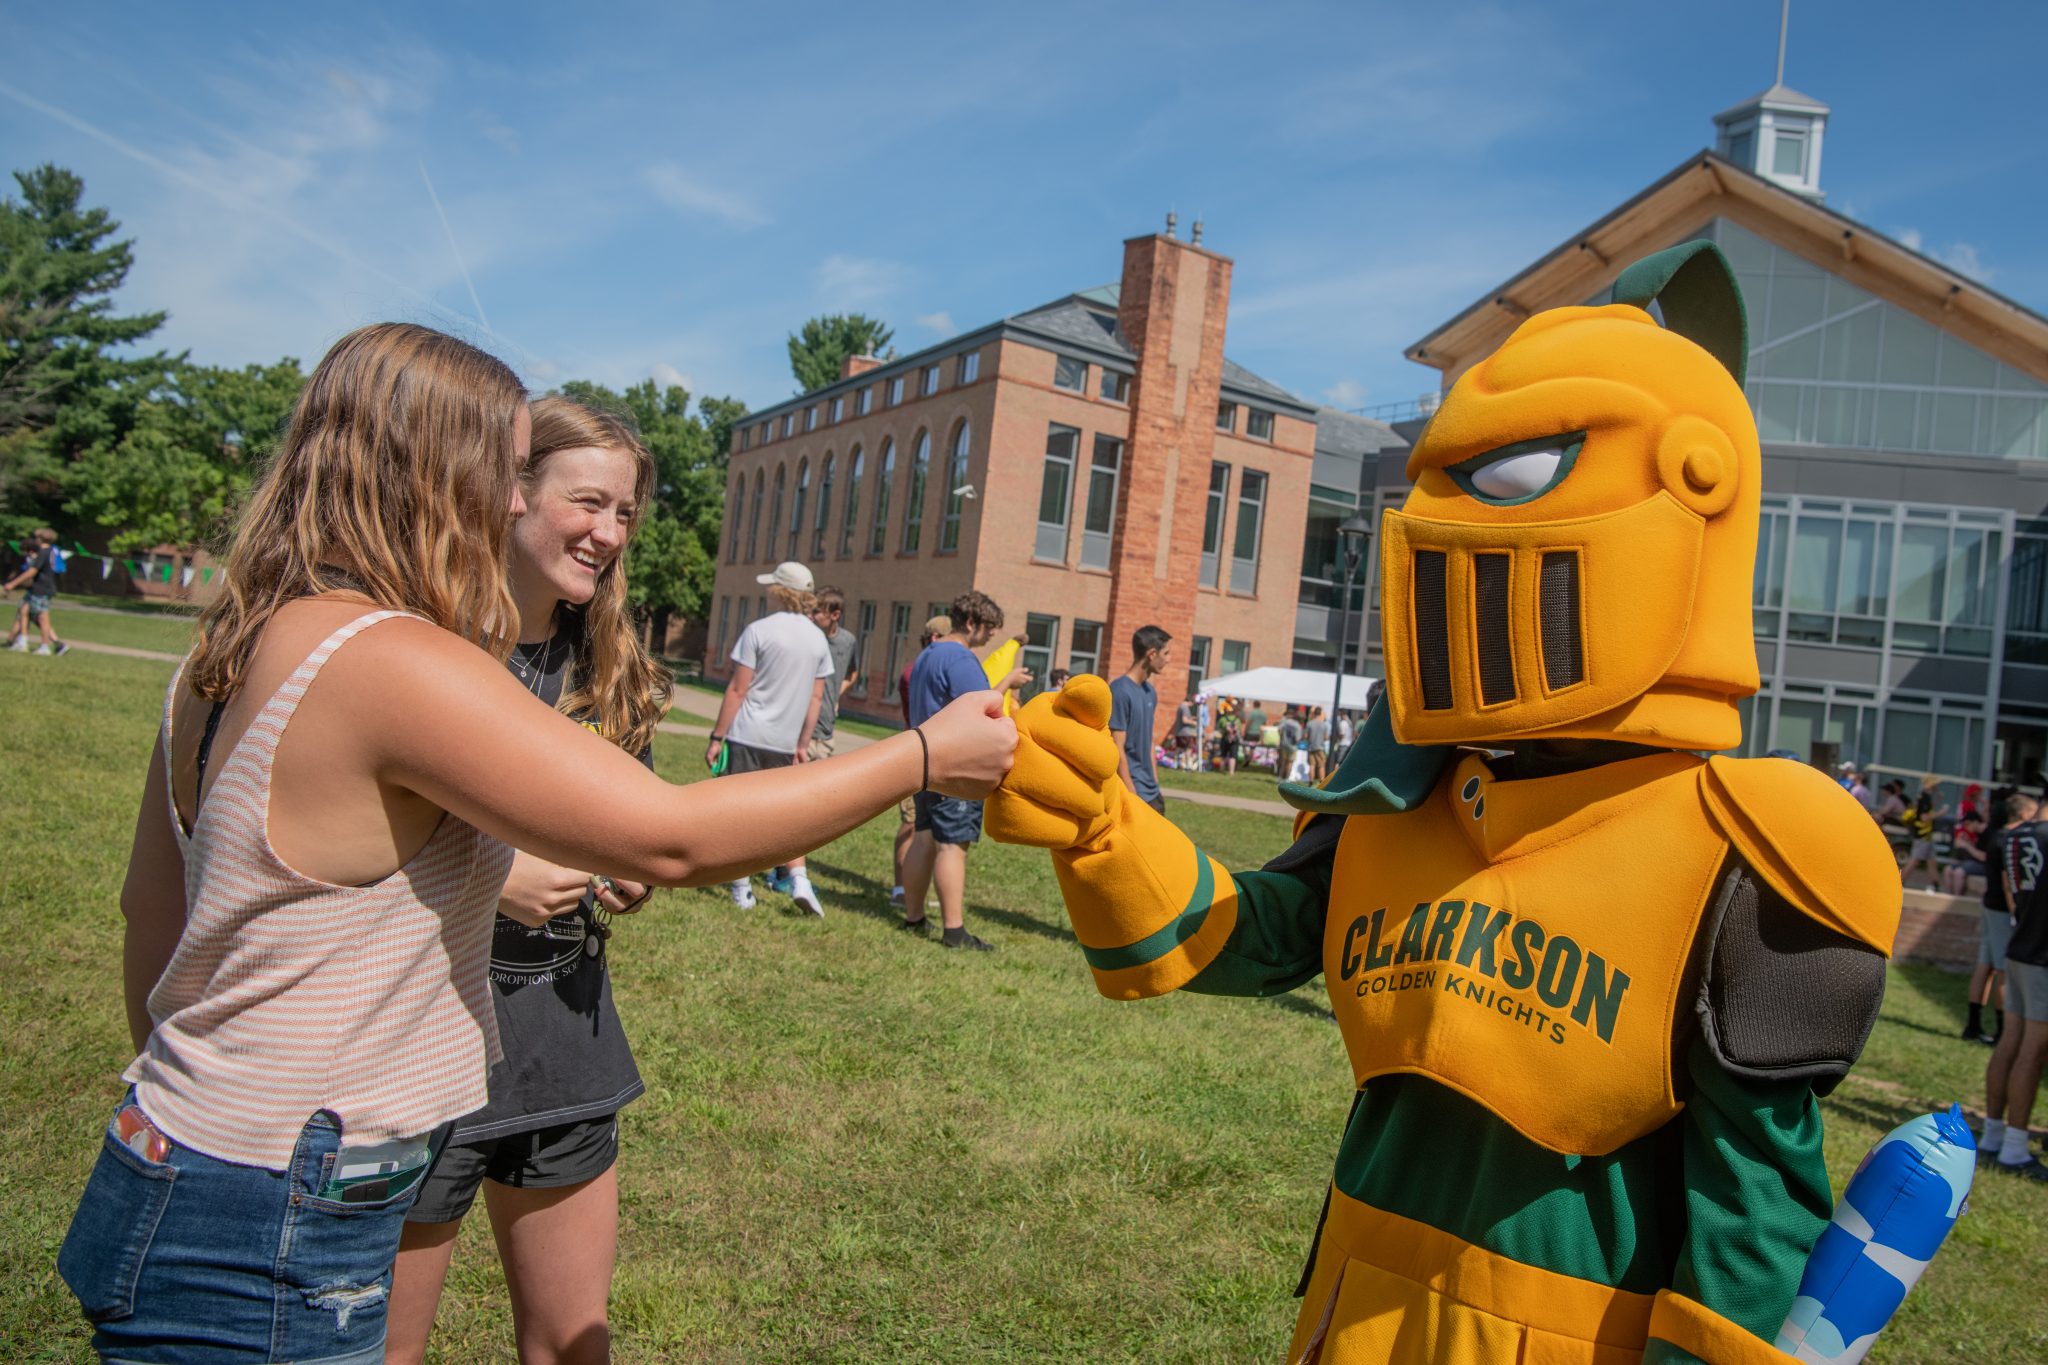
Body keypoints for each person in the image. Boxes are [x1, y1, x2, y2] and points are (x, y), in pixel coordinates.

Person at [985, 242, 1905, 1359]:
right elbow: (1258, 934)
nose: (1437, 529)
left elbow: (1752, 1201)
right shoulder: (1405, 782)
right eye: (1435, 481)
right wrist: (1106, 828)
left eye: (1508, 476)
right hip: (1355, 1301)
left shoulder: (1748, 848)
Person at [59, 322, 1017, 1362]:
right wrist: (918, 756)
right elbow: (673, 838)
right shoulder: (387, 657)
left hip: (177, 1155)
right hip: (274, 1204)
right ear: (426, 468)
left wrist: (211, 1101)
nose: (521, 501)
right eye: (511, 470)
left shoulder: (240, 639)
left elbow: (151, 919)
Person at [387, 395, 664, 1365]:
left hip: (567, 1037)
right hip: (425, 1047)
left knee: (569, 1346)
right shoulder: (417, 651)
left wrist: (626, 870)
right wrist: (492, 873)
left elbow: (642, 828)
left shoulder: (610, 664)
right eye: (588, 502)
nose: (608, 533)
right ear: (508, 494)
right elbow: (330, 846)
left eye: (625, 513)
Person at [900, 591, 1029, 950]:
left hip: (923, 761)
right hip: (955, 769)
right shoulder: (961, 659)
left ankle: (914, 917)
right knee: (952, 846)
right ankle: (954, 932)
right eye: (988, 629)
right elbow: (984, 710)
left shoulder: (929, 654)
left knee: (924, 838)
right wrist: (1007, 686)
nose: (990, 637)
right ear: (971, 623)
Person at [708, 561, 835, 916]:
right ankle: (800, 881)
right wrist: (801, 744)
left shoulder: (759, 630)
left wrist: (717, 736)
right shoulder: (817, 639)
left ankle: (742, 887)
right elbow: (815, 698)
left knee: (739, 814)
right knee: (784, 817)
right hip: (784, 740)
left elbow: (738, 688)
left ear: (780, 591)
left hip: (748, 733)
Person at [1982, 807, 2048, 1180]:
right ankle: (2014, 1147)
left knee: (2011, 1041)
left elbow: (2011, 891)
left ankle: (1994, 1135)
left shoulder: (2017, 835)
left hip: (2021, 944)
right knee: (2033, 1051)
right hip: (2042, 956)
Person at [890, 615, 951, 911]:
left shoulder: (919, 668)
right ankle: (901, 888)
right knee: (912, 824)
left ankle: (912, 889)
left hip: (925, 754)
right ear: (937, 639)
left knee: (924, 827)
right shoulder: (917, 671)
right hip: (917, 756)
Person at [1967, 792, 2037, 1044]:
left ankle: (1972, 1025)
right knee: (2002, 970)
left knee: (1984, 965)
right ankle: (2001, 1032)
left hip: (1989, 904)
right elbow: (2009, 882)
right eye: (2033, 812)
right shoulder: (2011, 839)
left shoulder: (1998, 835)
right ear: (2023, 814)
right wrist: (2017, 914)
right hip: (2000, 910)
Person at [1108, 625, 1171, 816]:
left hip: (1152, 791)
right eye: (1166, 653)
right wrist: (1131, 794)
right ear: (1152, 654)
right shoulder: (1119, 691)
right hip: (1133, 791)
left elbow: (1149, 741)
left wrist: (1155, 783)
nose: (1168, 660)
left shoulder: (1149, 691)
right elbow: (1117, 747)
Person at [807, 587, 861, 762]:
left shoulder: (848, 642)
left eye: (817, 612)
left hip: (825, 730)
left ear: (835, 615)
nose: (812, 616)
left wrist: (836, 693)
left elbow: (852, 673)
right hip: (801, 729)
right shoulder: (807, 638)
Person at [4, 527, 70, 655]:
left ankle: (45, 646)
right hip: (36, 588)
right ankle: (22, 642)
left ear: (41, 538)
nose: (35, 540)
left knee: (42, 618)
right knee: (23, 611)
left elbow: (32, 571)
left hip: (42, 588)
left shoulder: (44, 552)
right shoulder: (47, 551)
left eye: (36, 538)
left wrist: (12, 584)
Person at [1901, 776, 1947, 889]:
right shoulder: (1924, 798)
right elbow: (1924, 817)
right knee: (1915, 859)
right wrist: (1941, 813)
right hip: (1922, 834)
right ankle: (1899, 882)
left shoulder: (1924, 796)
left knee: (1931, 860)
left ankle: (1936, 883)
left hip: (1926, 835)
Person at [1943, 810, 1989, 897]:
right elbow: (1976, 850)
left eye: (1967, 824)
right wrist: (1968, 842)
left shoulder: (1987, 833)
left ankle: (1957, 900)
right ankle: (1947, 897)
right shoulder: (1977, 833)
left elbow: (1983, 857)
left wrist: (1967, 845)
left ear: (1976, 822)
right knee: (1948, 869)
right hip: (1974, 862)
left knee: (1959, 872)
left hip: (1984, 865)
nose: (1966, 827)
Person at [1278, 708, 1304, 784]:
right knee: (1290, 763)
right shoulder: (1298, 727)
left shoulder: (1287, 722)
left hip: (1284, 744)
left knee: (1283, 763)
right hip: (1292, 747)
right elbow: (1297, 739)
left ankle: (1279, 778)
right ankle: (1286, 779)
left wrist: (1282, 737)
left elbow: (1279, 730)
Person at [1305, 707, 1330, 784]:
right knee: (1321, 765)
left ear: (1314, 713)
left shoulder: (1309, 723)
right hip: (1320, 748)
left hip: (1311, 747)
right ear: (1321, 713)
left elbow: (1306, 736)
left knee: (1312, 765)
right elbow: (1326, 737)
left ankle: (1311, 782)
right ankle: (1322, 781)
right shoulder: (1324, 724)